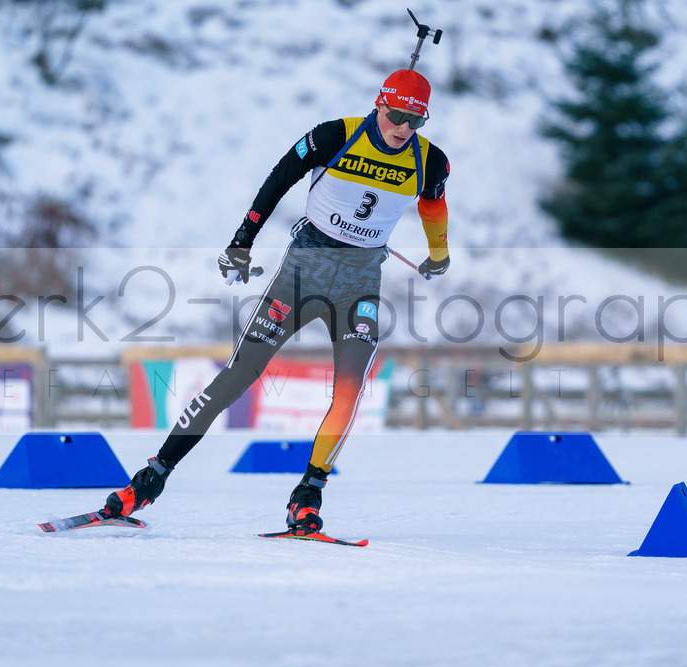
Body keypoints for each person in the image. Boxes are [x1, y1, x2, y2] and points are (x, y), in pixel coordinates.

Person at [101, 68, 451, 532]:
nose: (403, 128)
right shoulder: (335, 136)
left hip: (359, 284)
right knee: (239, 374)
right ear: (379, 103)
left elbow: (432, 204)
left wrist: (439, 253)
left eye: (415, 121)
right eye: (397, 115)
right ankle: (150, 478)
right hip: (302, 274)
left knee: (350, 390)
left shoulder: (430, 161)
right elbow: (279, 179)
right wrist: (241, 241)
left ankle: (308, 495)